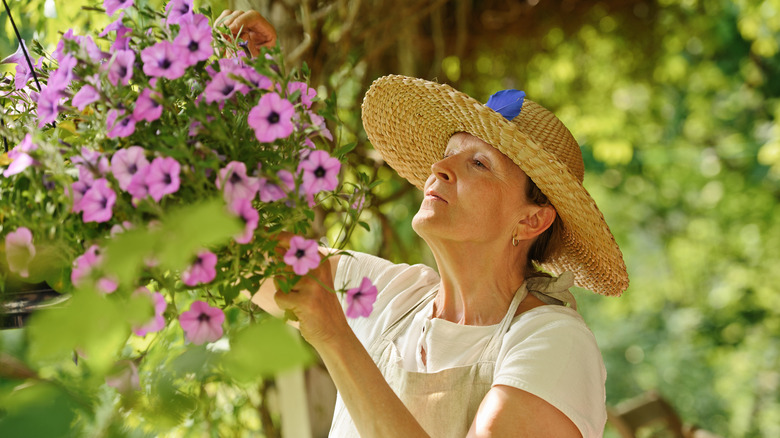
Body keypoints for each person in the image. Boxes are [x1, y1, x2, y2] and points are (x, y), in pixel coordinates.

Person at [218, 10, 629, 437]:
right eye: (449, 151)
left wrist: (334, 336)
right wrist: (246, 90)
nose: (441, 166)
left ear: (532, 220)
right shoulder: (391, 296)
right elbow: (231, 255)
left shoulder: (553, 343)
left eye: (479, 164)